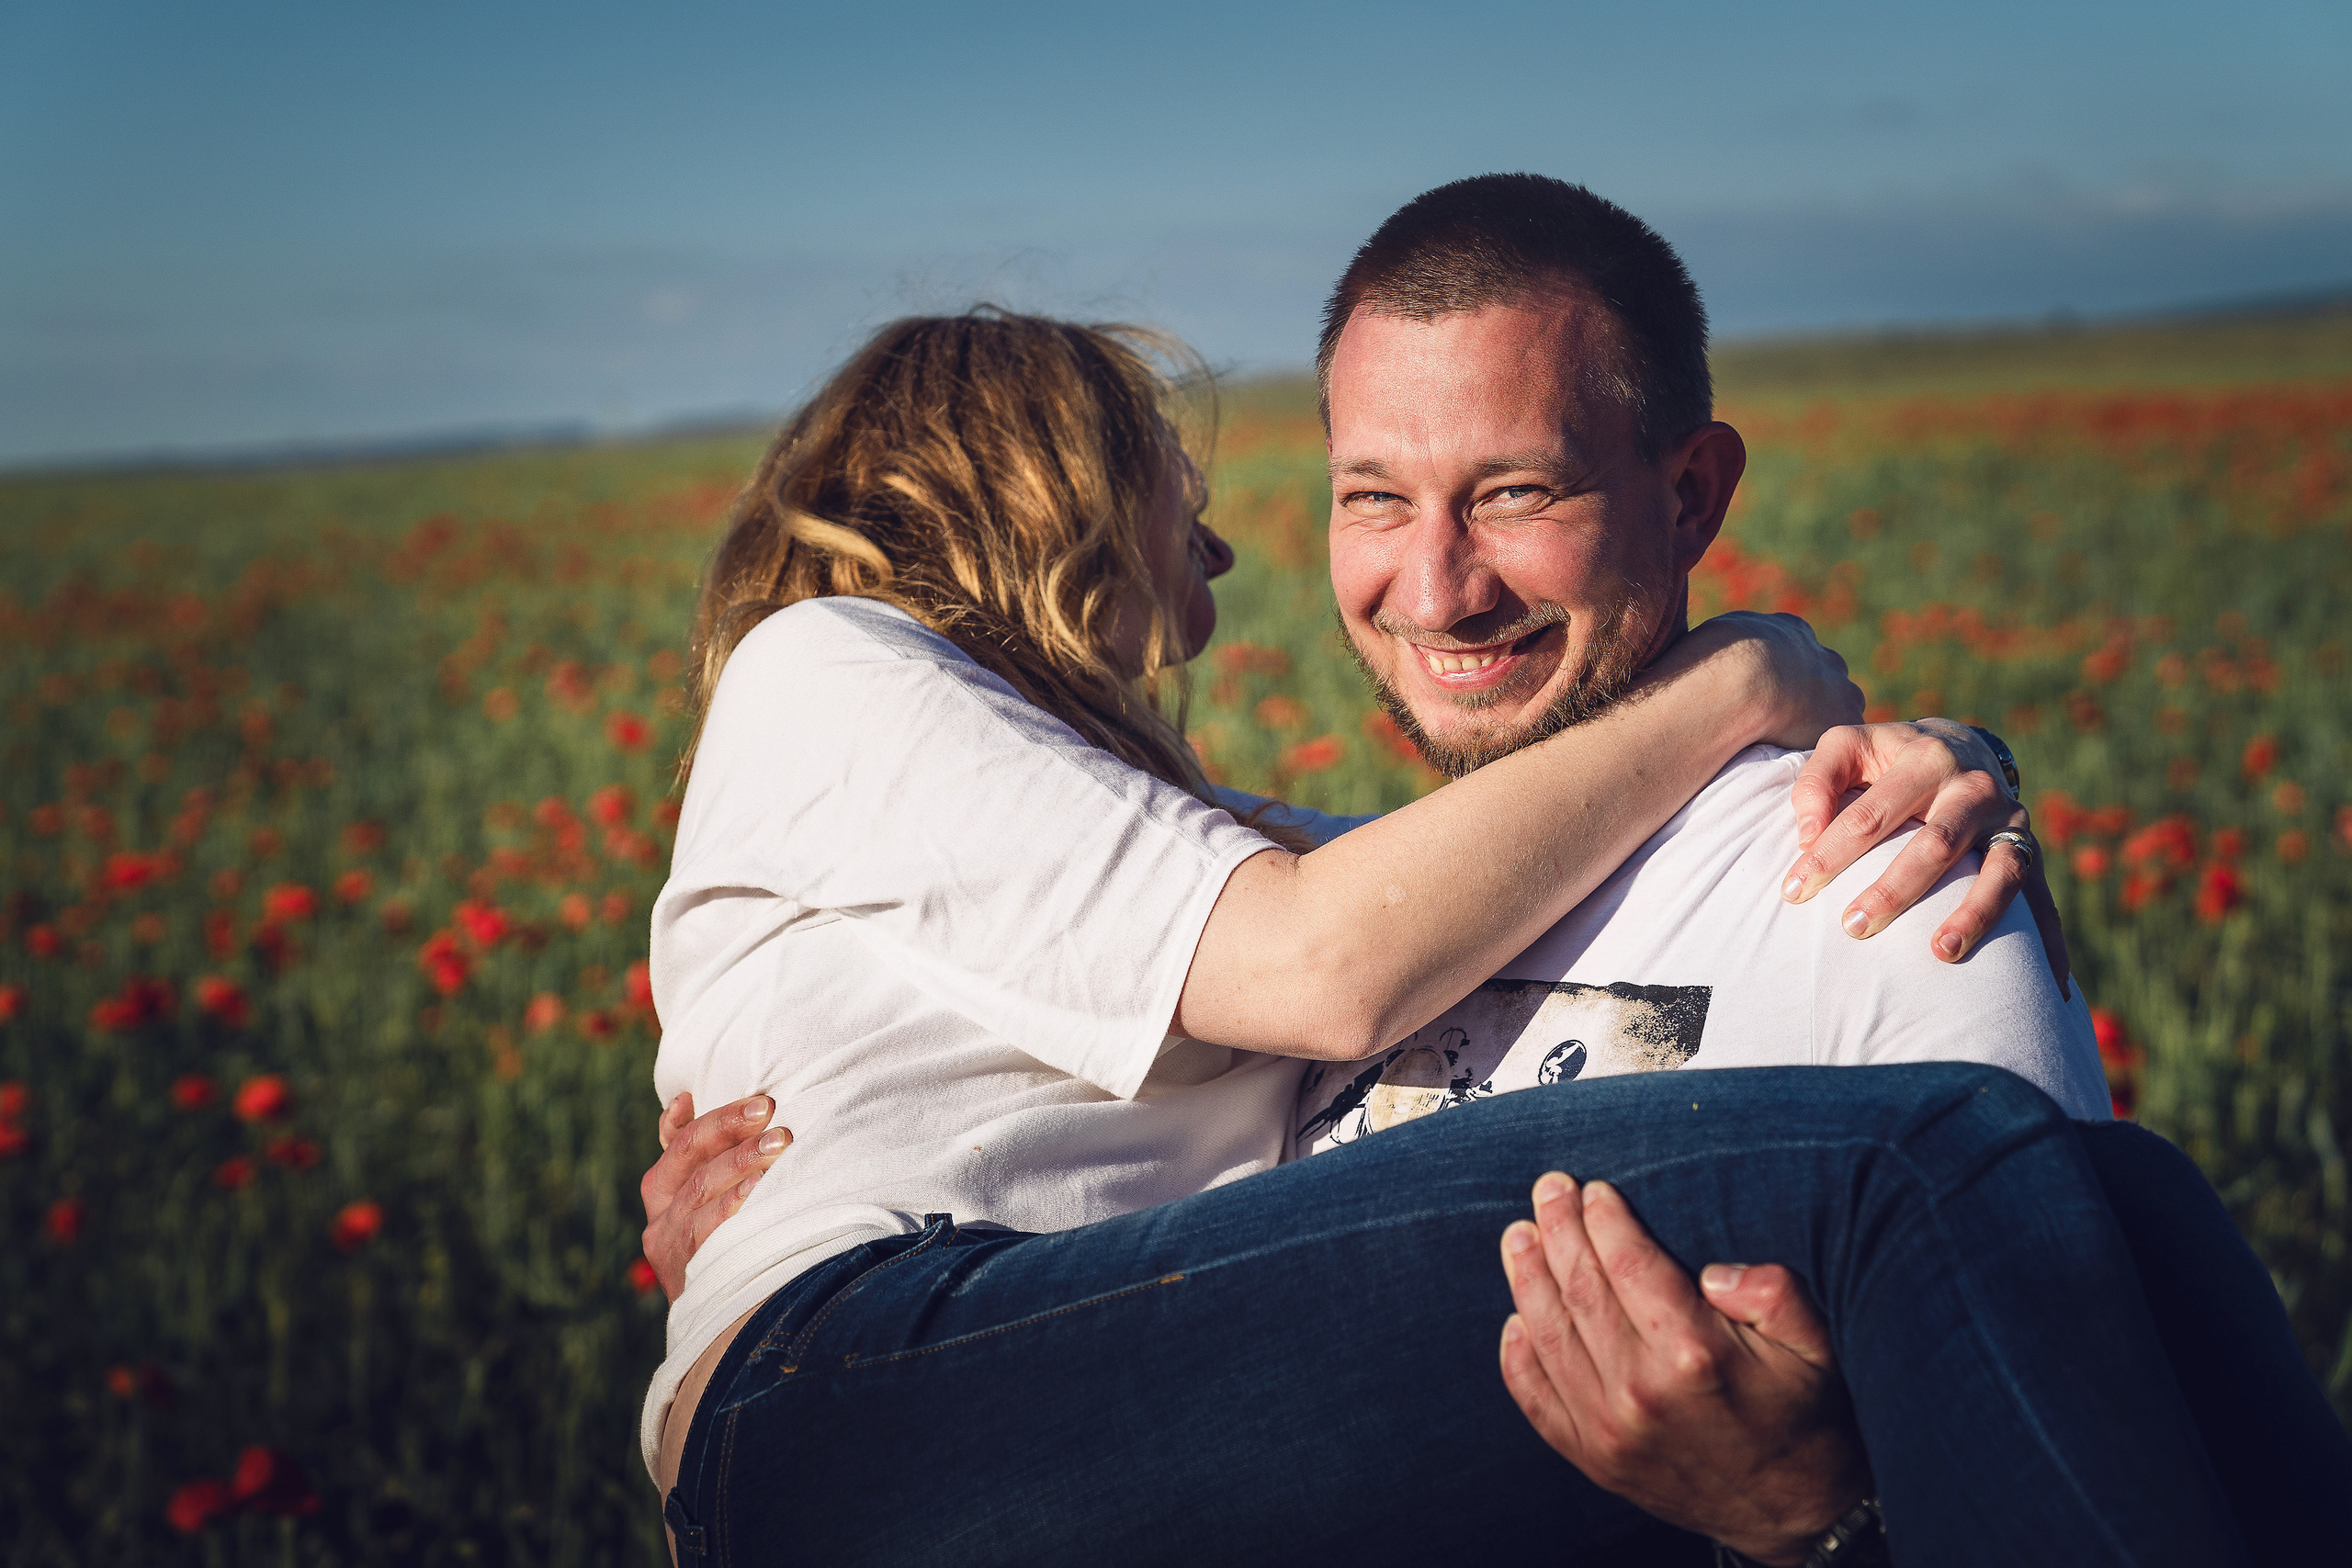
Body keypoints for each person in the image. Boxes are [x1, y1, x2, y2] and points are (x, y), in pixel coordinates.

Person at [637, 296, 2346, 1565]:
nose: (1220, 550)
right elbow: (1331, 959)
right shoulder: (830, 666)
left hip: (1031, 1370)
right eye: (1177, 489)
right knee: (1922, 1171)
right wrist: (1750, 676)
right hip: (882, 1377)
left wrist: (1944, 757)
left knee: (2132, 1201)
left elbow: (1452, 882)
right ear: (1053, 488)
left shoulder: (1100, 825)